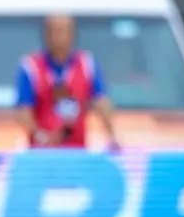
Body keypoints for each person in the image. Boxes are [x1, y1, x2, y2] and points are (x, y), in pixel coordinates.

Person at [15, 13, 120, 149]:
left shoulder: (87, 64)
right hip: (42, 152)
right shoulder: (30, 67)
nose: (60, 37)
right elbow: (23, 111)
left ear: (72, 34)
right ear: (46, 35)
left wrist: (111, 135)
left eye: (65, 31)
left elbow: (101, 101)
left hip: (77, 148)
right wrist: (40, 135)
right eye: (55, 31)